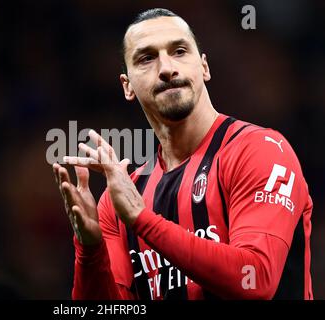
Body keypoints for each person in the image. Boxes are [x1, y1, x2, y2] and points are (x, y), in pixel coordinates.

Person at [52, 8, 313, 300]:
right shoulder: (121, 200)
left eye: (179, 51)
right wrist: (90, 250)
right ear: (128, 87)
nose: (166, 68)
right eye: (146, 58)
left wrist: (143, 221)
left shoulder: (259, 151)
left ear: (204, 67)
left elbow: (255, 280)